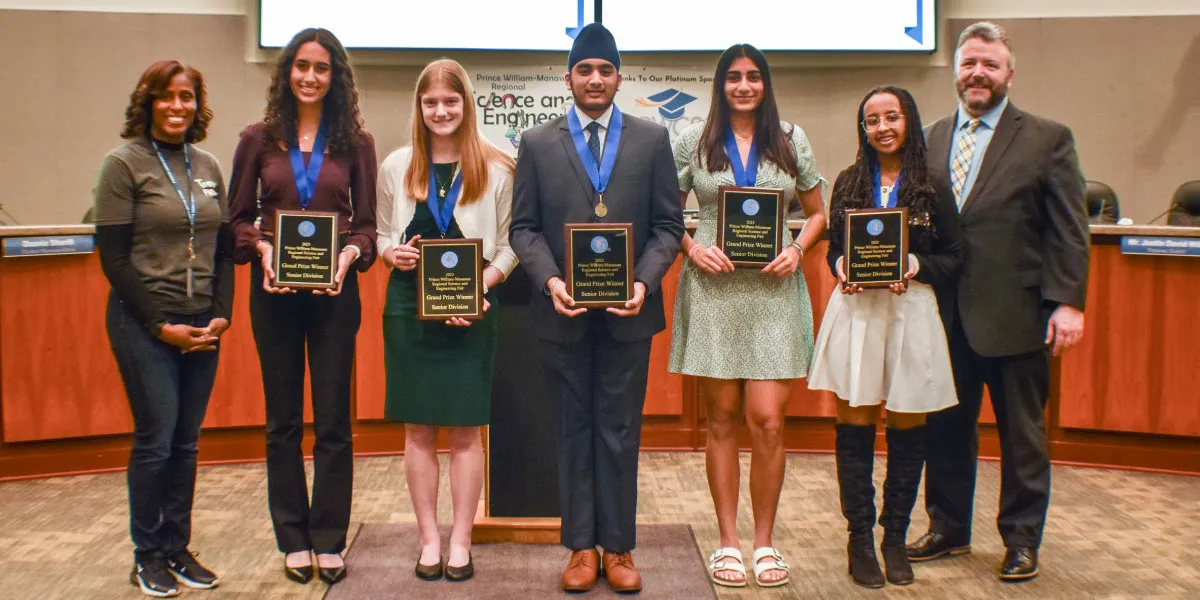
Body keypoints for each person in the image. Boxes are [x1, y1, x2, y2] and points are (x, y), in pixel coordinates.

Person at [906, 22, 1089, 582]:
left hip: (1018, 316)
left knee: (1022, 436)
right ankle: (948, 527)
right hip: (944, 315)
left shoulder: (1047, 138)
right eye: (968, 64)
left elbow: (1069, 229)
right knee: (946, 429)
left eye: (989, 64)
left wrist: (1068, 303)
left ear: (1009, 72)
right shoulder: (930, 138)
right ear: (956, 72)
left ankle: (1020, 539)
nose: (978, 73)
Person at [509, 23, 684, 594]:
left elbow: (667, 227)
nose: (595, 79)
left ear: (618, 78)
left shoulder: (651, 139)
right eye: (584, 69)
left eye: (605, 70)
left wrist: (643, 282)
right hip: (562, 314)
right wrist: (551, 280)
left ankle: (619, 546)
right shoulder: (536, 143)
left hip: (629, 316)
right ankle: (581, 547)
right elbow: (523, 230)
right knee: (571, 429)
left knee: (619, 430)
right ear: (568, 79)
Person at [668, 43, 825, 589]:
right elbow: (664, 213)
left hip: (773, 289)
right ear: (720, 84)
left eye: (753, 77)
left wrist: (798, 248)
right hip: (713, 288)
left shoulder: (790, 139)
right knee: (722, 420)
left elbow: (817, 211)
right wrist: (692, 249)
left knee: (769, 420)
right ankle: (728, 542)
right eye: (733, 77)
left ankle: (765, 541)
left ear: (765, 84)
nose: (743, 86)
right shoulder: (692, 139)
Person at [227, 27, 377, 586]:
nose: (311, 77)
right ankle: (292, 537)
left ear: (336, 77)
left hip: (337, 296)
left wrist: (348, 259)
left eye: (322, 68)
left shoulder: (355, 143)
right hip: (274, 296)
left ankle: (330, 537)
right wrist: (262, 248)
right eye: (302, 66)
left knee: (335, 420)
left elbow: (366, 226)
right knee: (282, 422)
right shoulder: (257, 139)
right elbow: (237, 220)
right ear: (287, 72)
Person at [808, 86, 963, 588]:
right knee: (854, 425)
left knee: (907, 426)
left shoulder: (933, 184)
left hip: (910, 311)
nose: (882, 128)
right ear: (863, 129)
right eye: (871, 120)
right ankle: (859, 540)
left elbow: (956, 259)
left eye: (891, 117)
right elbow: (834, 248)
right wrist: (842, 267)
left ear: (908, 121)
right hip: (856, 310)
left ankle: (893, 537)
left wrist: (914, 264)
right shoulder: (851, 181)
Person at [376, 58, 518, 583]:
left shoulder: (497, 169)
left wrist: (478, 289)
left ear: (467, 105)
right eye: (431, 102)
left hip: (472, 311)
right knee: (417, 429)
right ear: (419, 107)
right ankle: (428, 538)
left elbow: (509, 250)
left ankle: (461, 538)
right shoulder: (396, 165)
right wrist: (393, 256)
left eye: (450, 102)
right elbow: (382, 237)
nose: (441, 111)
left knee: (464, 432)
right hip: (408, 309)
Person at [94, 59, 230, 597]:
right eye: (166, 97)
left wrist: (223, 312)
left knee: (188, 442)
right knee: (156, 439)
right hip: (144, 322)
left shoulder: (209, 164)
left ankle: (177, 547)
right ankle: (146, 554)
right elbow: (114, 259)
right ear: (147, 102)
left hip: (203, 322)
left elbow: (222, 252)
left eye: (187, 97)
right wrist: (159, 323)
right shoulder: (122, 164)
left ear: (198, 104)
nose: (177, 107)